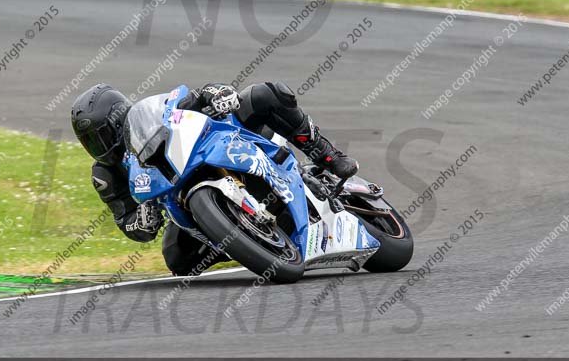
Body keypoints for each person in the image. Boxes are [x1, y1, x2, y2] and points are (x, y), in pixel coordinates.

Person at [71, 82, 358, 276]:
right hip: (181, 198)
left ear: (119, 119)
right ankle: (245, 240)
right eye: (90, 142)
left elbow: (197, 95)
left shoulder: (157, 115)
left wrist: (218, 94)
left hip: (225, 145)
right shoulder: (105, 174)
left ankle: (325, 153)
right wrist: (141, 222)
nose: (99, 146)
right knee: (177, 260)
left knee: (263, 94)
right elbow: (126, 220)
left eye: (101, 135)